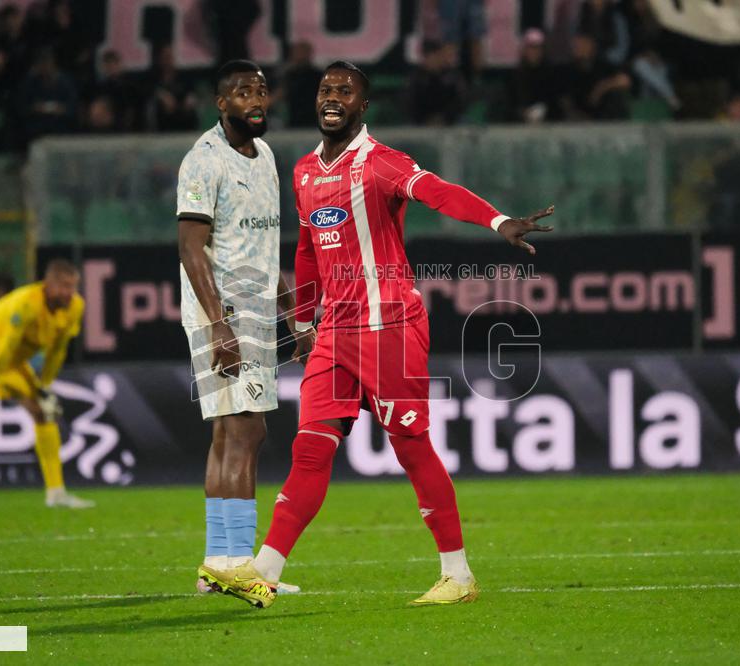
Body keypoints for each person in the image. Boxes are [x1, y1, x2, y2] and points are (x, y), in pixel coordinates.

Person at [199, 61, 554, 608]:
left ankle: (457, 576)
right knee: (310, 448)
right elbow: (306, 247)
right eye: (325, 89)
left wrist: (497, 221)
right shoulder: (303, 172)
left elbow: (437, 191)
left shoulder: (380, 163)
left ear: (364, 105)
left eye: (345, 90)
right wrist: (300, 321)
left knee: (411, 449)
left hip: (390, 327)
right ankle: (265, 571)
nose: (332, 97)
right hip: (335, 333)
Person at [177, 60, 312, 595]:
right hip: (226, 313)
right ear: (221, 104)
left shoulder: (267, 157)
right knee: (246, 432)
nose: (255, 100)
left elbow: (264, 246)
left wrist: (292, 316)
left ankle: (218, 562)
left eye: (260, 91)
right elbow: (191, 248)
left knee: (227, 433)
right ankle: (239, 567)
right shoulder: (202, 161)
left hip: (255, 312)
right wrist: (219, 326)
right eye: (241, 93)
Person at [0, 259, 93, 511]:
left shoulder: (74, 308)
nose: (70, 292)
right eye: (64, 286)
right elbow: (7, 345)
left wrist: (44, 386)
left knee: (43, 410)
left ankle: (56, 493)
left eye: (73, 286)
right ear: (48, 284)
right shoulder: (27, 303)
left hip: (8, 358)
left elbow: (57, 351)